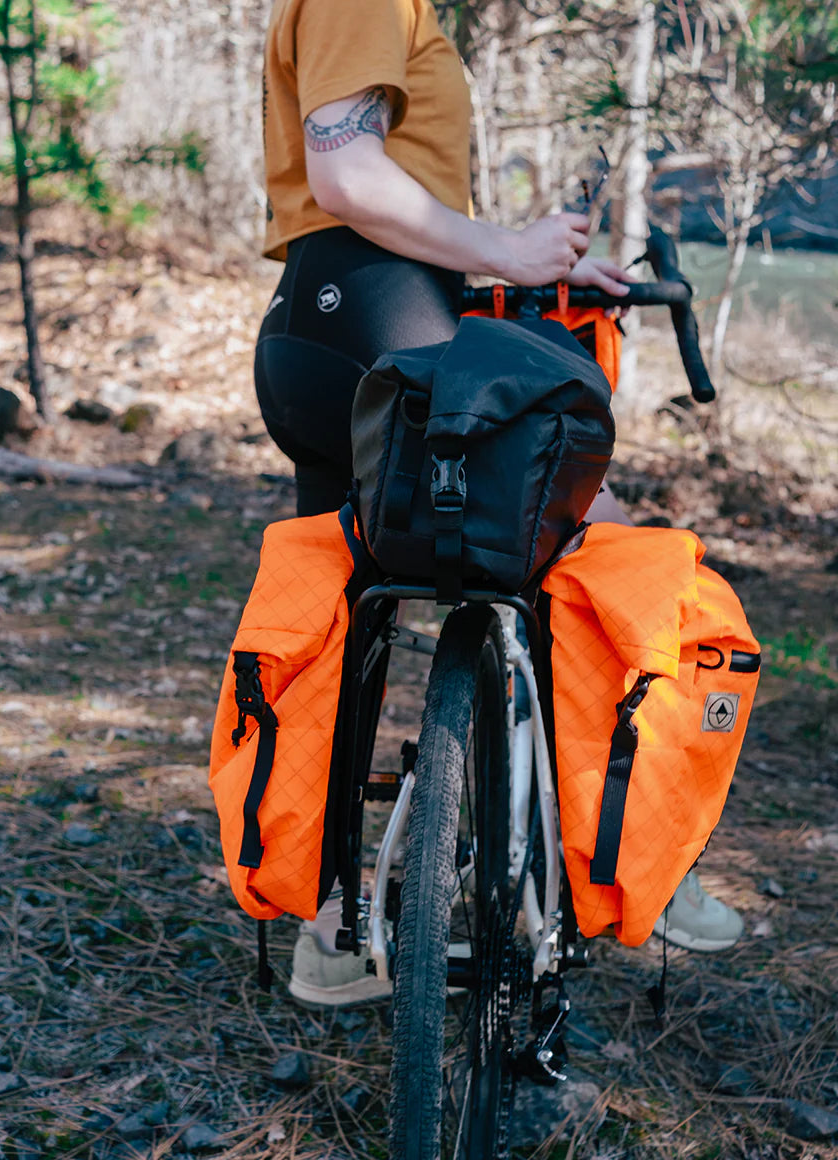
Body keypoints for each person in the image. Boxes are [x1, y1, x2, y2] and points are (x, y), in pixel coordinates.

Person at [254, 0, 742, 1007]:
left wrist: (519, 265)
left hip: (343, 319)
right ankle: (645, 850)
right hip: (367, 303)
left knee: (347, 624)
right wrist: (507, 248)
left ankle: (329, 927)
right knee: (601, 544)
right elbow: (345, 176)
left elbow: (389, 198)